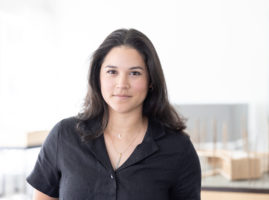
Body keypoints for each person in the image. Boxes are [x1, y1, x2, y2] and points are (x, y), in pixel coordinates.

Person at [27, 28, 201, 200]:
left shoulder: (178, 148)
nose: (122, 84)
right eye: (112, 72)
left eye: (135, 73)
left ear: (151, 81)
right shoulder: (63, 136)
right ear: (98, 77)